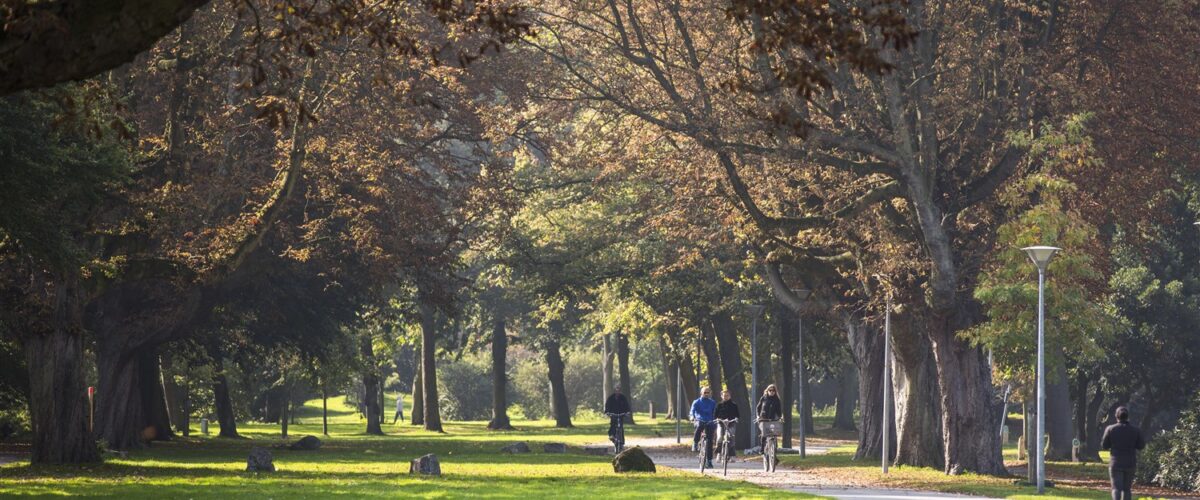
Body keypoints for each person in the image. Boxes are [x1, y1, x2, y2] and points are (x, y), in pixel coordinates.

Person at [1101, 406, 1146, 500]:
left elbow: (1104, 445)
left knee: (1116, 488)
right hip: (1130, 462)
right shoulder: (1135, 430)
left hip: (1115, 462)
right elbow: (1141, 446)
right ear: (1127, 416)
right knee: (1127, 489)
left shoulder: (1110, 429)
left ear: (1116, 416)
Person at [690, 386, 717, 468]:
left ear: (710, 393)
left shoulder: (712, 402)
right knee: (700, 426)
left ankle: (709, 461)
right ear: (701, 393)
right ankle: (695, 442)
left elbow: (715, 412)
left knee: (709, 442)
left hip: (709, 421)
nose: (706, 394)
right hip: (699, 420)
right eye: (705, 392)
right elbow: (692, 411)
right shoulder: (696, 402)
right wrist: (692, 417)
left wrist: (716, 419)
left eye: (708, 392)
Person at [755, 384, 783, 452]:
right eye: (770, 390)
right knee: (764, 433)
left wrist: (780, 417)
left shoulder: (777, 400)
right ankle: (762, 448)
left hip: (772, 419)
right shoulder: (763, 398)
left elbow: (779, 411)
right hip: (763, 419)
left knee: (774, 433)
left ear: (775, 391)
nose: (771, 392)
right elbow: (758, 408)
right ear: (767, 391)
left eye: (773, 390)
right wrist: (758, 416)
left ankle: (774, 451)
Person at [714, 389, 739, 456]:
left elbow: (737, 415)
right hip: (721, 423)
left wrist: (736, 419)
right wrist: (717, 419)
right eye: (724, 396)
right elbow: (715, 415)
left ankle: (731, 455)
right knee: (719, 437)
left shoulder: (734, 405)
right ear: (721, 396)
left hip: (731, 424)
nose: (726, 397)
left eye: (727, 395)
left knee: (731, 438)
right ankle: (718, 453)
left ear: (730, 396)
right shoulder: (719, 405)